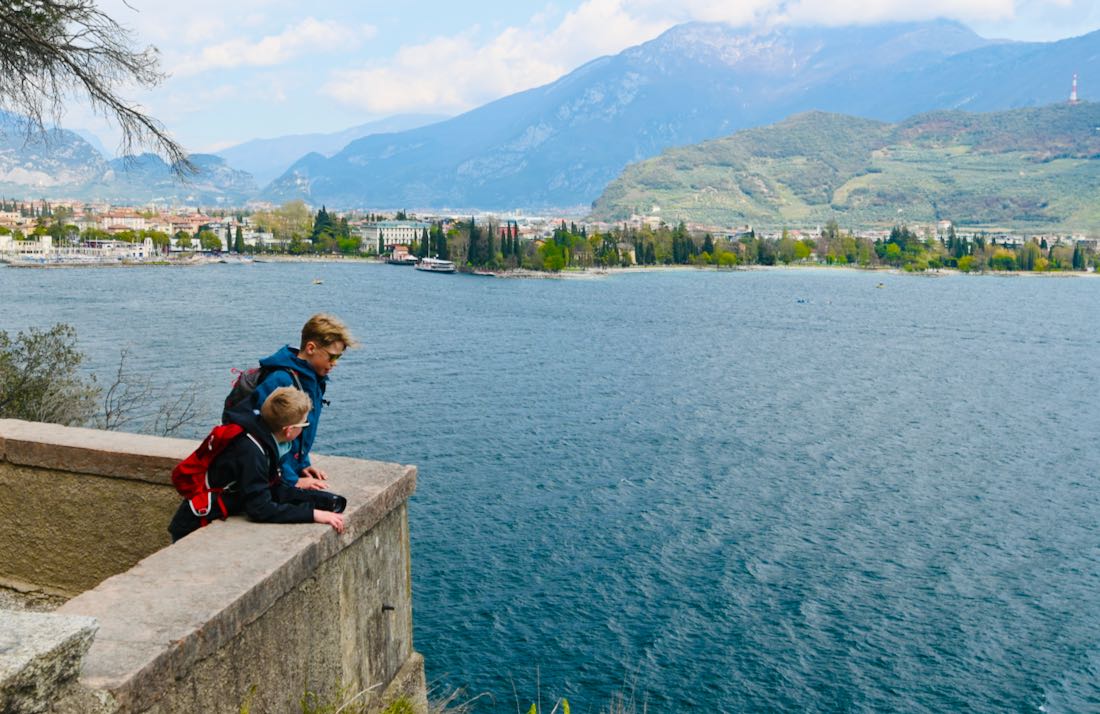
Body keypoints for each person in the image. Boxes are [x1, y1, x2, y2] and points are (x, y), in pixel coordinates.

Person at [168, 387, 345, 542]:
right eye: (304, 424)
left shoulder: (262, 436)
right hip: (194, 526)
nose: (305, 428)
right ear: (289, 430)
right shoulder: (251, 451)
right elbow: (260, 508)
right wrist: (314, 515)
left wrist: (321, 501)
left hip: (203, 519)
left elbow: (271, 488)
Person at [251, 313, 355, 490]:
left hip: (288, 470)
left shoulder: (314, 381)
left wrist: (302, 464)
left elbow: (300, 428)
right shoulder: (280, 380)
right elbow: (261, 435)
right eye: (332, 356)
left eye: (338, 358)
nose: (334, 363)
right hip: (273, 476)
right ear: (310, 348)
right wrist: (291, 479)